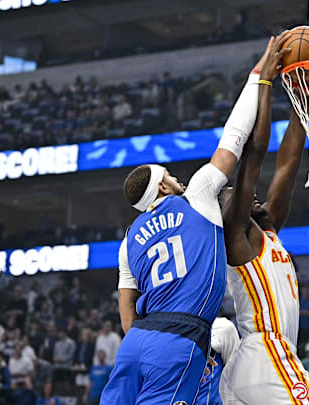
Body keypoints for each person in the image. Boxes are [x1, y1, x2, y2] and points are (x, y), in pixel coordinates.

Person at [103, 35, 291, 405]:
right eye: (170, 176)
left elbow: (127, 312)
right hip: (179, 337)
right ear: (162, 187)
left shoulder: (129, 240)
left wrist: (143, 351)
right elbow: (235, 138)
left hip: (137, 342)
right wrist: (259, 76)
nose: (178, 178)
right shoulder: (198, 197)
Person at [217, 32, 309, 405]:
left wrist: (301, 99)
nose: (252, 196)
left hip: (251, 362)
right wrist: (264, 83)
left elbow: (288, 164)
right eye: (237, 196)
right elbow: (255, 154)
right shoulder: (236, 234)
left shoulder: (267, 227)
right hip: (267, 351)